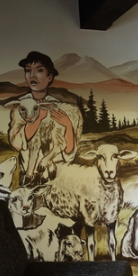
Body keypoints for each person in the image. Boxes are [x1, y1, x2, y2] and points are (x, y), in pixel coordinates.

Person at [7, 51, 81, 183]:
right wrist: (38, 119)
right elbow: (17, 143)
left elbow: (69, 154)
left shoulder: (61, 109)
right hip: (29, 178)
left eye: (39, 70)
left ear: (50, 77)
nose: (32, 75)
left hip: (57, 179)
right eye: (28, 70)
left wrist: (68, 125)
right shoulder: (20, 108)